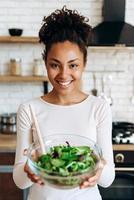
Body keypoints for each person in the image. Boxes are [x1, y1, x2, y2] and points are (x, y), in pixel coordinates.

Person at [13, 6, 115, 200]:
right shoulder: (29, 109)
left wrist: (99, 170)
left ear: (84, 64)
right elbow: (19, 181)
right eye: (55, 65)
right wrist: (28, 168)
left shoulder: (98, 108)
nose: (63, 74)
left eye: (73, 65)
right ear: (45, 64)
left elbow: (108, 179)